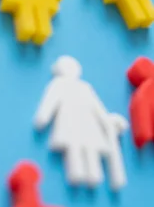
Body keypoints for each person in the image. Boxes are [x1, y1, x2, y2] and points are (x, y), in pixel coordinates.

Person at [34, 56, 128, 190]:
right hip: (71, 126)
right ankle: (78, 172)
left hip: (89, 128)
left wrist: (108, 121)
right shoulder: (59, 85)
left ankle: (93, 173)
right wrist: (43, 118)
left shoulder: (85, 87)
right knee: (75, 151)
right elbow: (49, 103)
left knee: (90, 151)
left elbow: (97, 108)